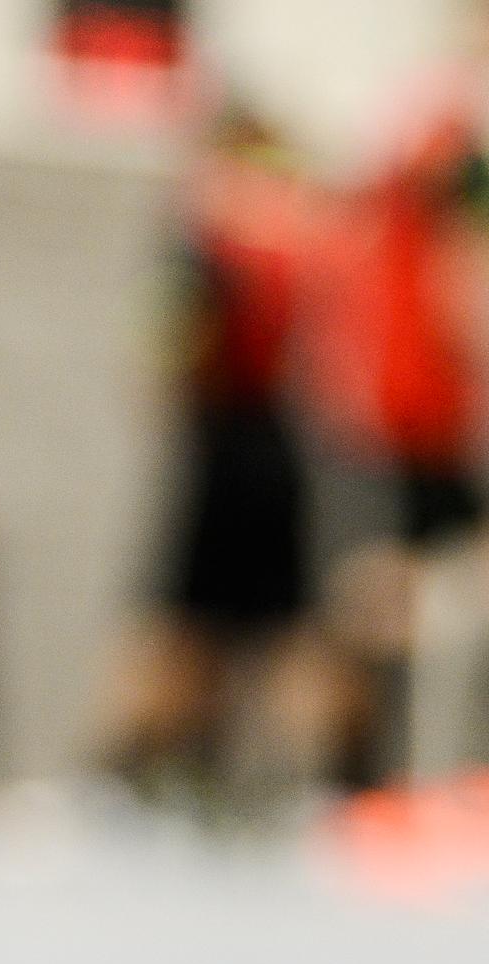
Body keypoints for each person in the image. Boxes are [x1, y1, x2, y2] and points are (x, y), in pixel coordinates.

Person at [305, 0, 489, 792]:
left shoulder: (422, 121)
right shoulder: (457, 128)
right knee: (421, 594)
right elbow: (472, 275)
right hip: (422, 403)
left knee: (424, 589)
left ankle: (398, 782)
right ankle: (406, 783)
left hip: (415, 398)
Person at [104, 107, 341, 808]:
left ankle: (137, 774)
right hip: (267, 444)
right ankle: (287, 779)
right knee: (250, 631)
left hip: (234, 449)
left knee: (197, 628)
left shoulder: (210, 241)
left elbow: (160, 356)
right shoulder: (292, 230)